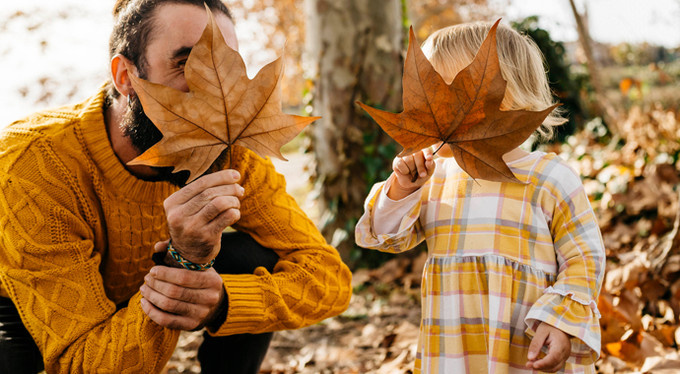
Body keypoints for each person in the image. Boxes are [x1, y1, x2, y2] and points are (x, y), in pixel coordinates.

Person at [0, 0, 352, 373]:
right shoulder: (35, 163)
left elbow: (330, 278)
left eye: (225, 67)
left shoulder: (232, 153)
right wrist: (185, 259)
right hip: (30, 314)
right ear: (124, 76)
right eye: (186, 63)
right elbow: (85, 363)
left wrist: (223, 302)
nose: (215, 88)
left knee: (254, 259)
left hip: (140, 295)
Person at [355, 22, 605, 373]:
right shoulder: (434, 178)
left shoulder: (549, 178)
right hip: (454, 351)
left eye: (448, 102)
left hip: (525, 347)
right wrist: (401, 190)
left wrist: (561, 319)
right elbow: (384, 236)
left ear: (506, 100)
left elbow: (585, 260)